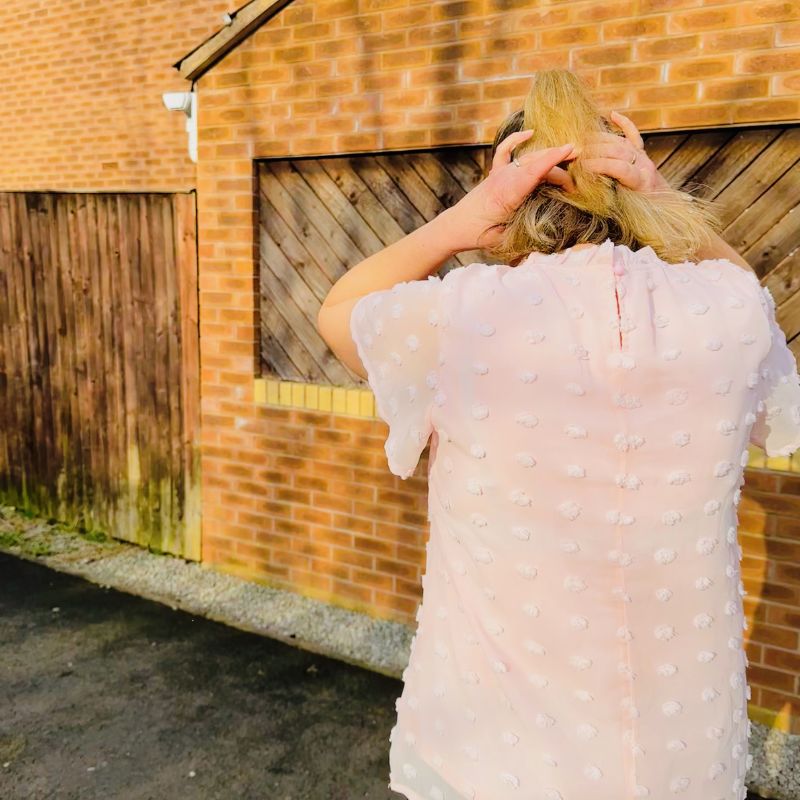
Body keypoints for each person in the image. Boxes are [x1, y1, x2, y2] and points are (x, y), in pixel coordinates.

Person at [317, 69, 800, 800]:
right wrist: (665, 202)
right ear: (627, 194)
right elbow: (754, 298)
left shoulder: (469, 319)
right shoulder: (724, 313)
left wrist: (467, 216)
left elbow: (340, 311)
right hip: (682, 752)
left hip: (497, 755)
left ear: (512, 196)